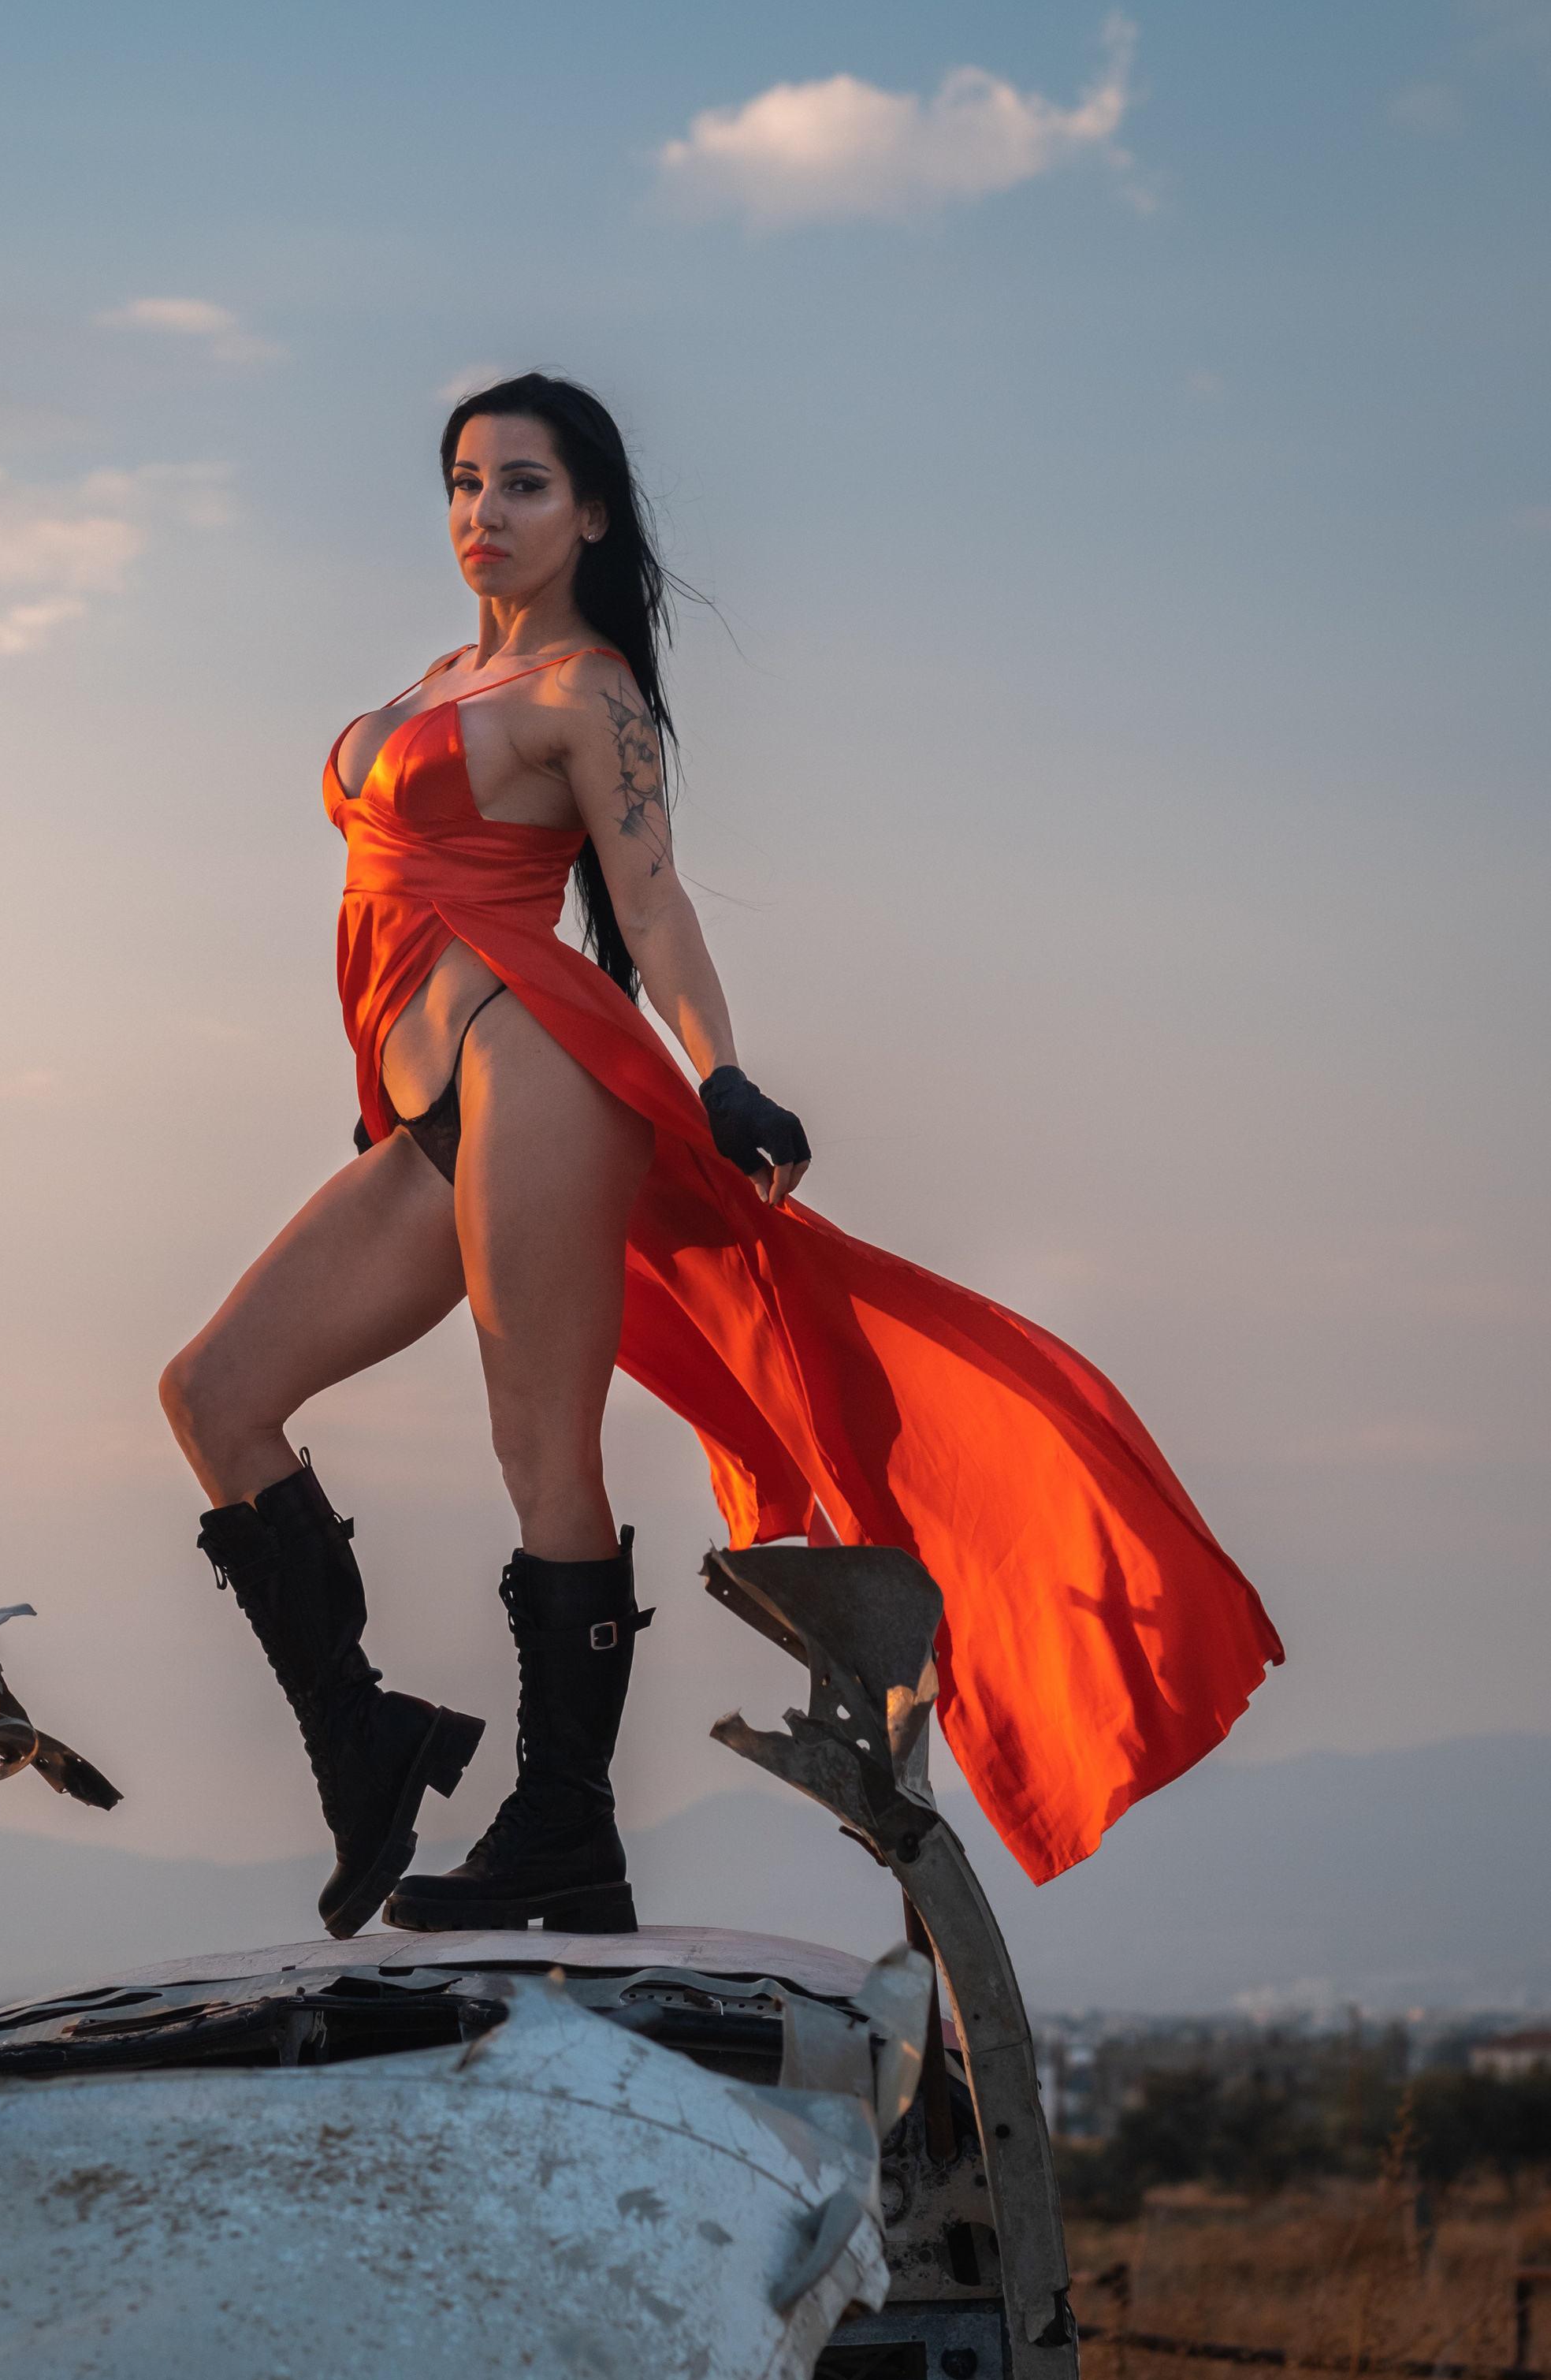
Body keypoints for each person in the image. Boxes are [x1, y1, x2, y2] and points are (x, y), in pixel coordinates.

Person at [160, 373, 1281, 1943]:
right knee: (212, 1396)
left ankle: (565, 1825)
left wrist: (725, 1073)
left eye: (526, 486)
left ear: (593, 513)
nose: (485, 512)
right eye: (465, 483)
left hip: (532, 1062)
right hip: (421, 1108)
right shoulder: (431, 680)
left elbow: (653, 902)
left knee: (536, 1446)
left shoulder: (583, 693)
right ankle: (364, 1749)